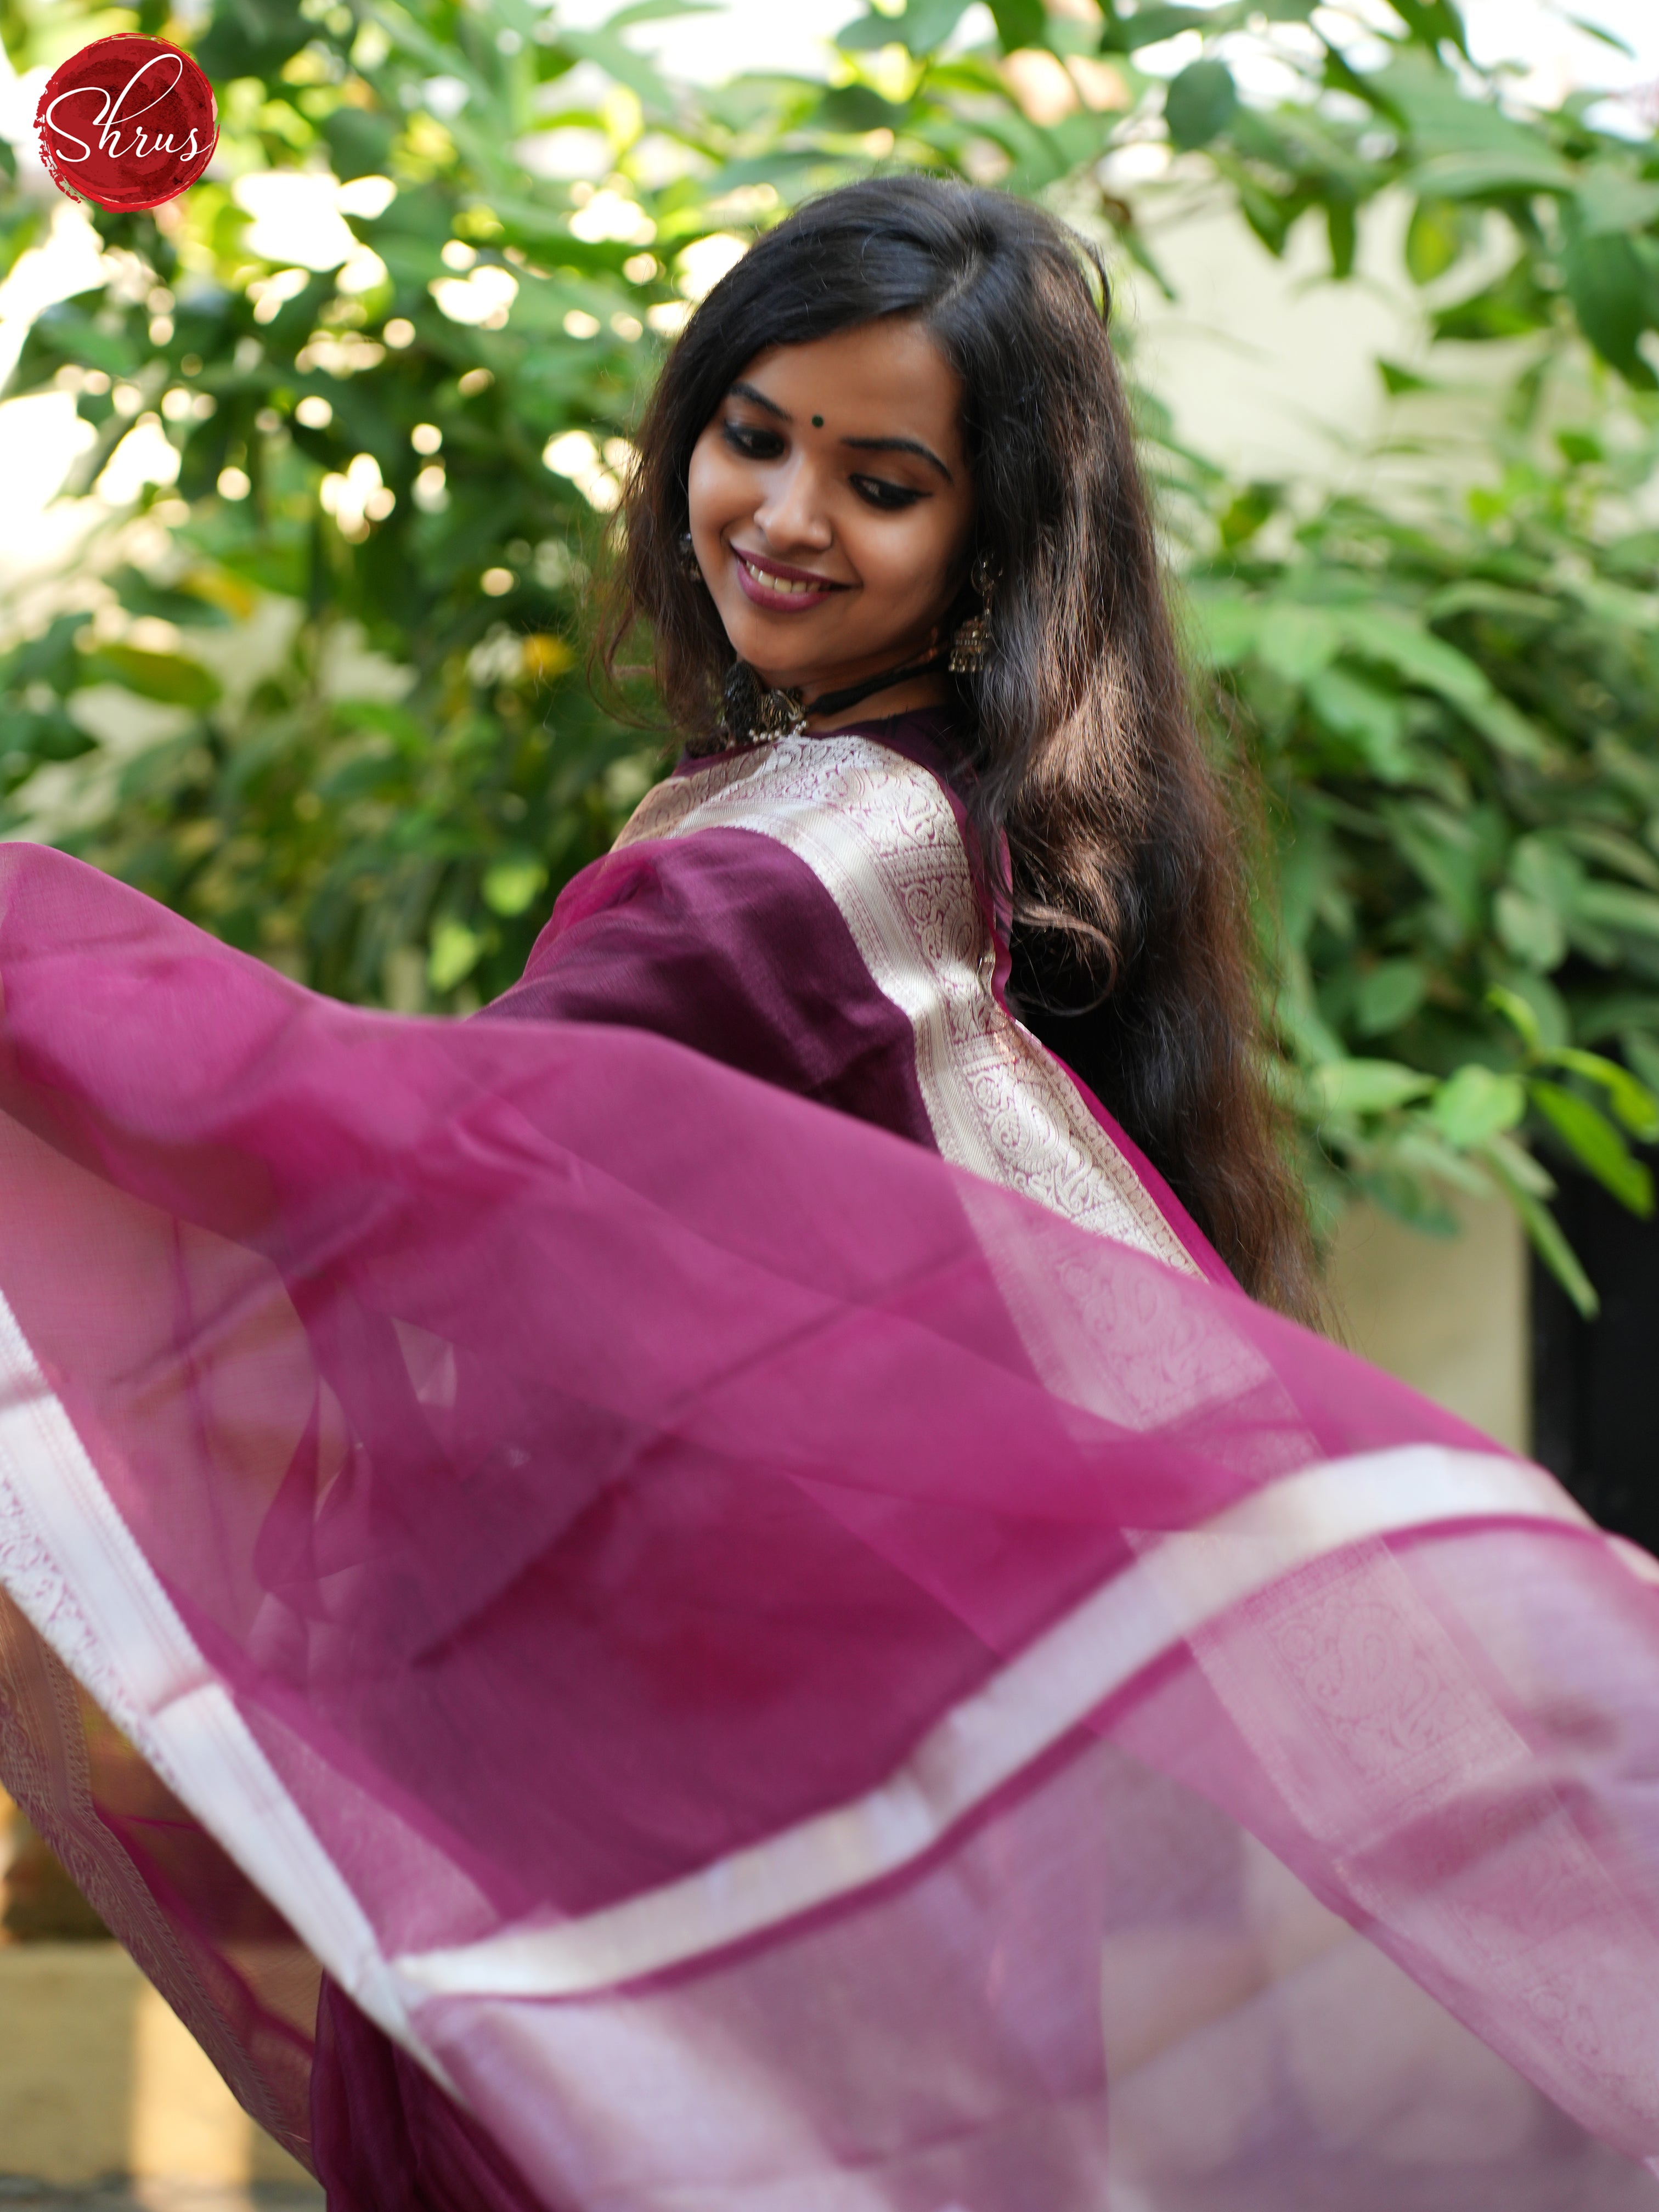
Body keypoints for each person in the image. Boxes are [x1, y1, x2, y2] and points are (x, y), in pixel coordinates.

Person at [1, 176, 1658, 2211]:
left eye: (881, 480)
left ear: (986, 548)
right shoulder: (893, 811)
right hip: (847, 1761)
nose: (785, 515)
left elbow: (408, 1139)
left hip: (727, 1774)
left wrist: (29, 976)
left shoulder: (795, 871)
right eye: (755, 435)